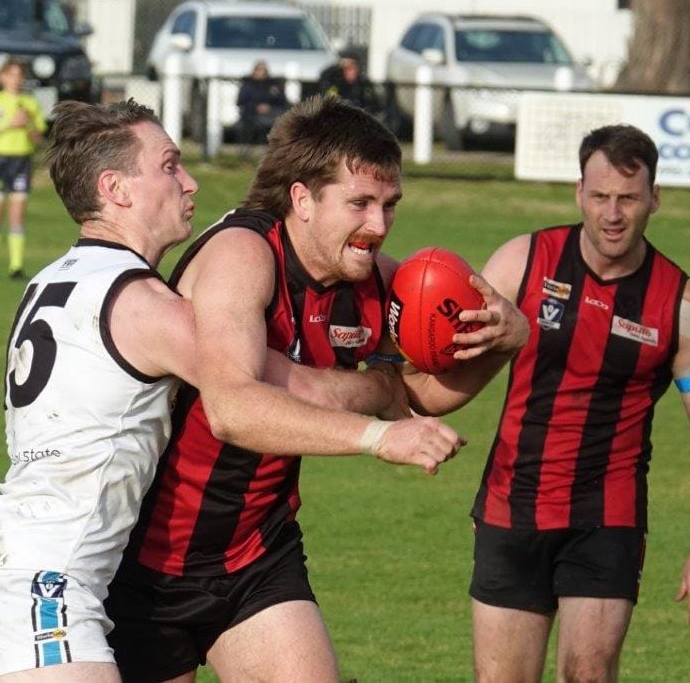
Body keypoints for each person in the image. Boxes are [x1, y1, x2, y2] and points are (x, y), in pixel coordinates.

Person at [0, 99, 463, 683]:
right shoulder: (151, 310)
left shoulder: (56, 278)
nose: (190, 182)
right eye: (170, 166)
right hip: (48, 578)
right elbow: (255, 398)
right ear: (115, 188)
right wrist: (385, 412)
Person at [105, 95, 528, 682]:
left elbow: (420, 397)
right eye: (359, 204)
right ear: (302, 199)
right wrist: (379, 434)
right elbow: (231, 409)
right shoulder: (243, 255)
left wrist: (508, 341)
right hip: (149, 561)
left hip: (259, 553)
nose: (378, 227)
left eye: (389, 206)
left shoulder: (376, 280)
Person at [468, 123, 690, 681]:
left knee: (587, 673)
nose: (613, 214)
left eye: (629, 198)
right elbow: (451, 363)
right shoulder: (523, 261)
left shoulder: (684, 306)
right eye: (601, 197)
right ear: (579, 194)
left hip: (607, 512)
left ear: (654, 199)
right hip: (511, 502)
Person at [0, 58, 47, 280]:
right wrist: (9, 125)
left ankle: (16, 267)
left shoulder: (30, 103)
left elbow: (38, 138)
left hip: (21, 161)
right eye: (11, 75)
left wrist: (28, 125)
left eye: (19, 75)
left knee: (17, 213)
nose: (16, 80)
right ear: (2, 77)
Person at [236, 60, 287, 145]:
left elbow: (282, 101)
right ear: (254, 71)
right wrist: (256, 107)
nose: (261, 73)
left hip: (271, 114)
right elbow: (240, 102)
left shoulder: (273, 85)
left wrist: (269, 107)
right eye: (258, 70)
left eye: (264, 70)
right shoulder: (247, 85)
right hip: (252, 115)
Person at [319, 51, 382, 115]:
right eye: (346, 68)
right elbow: (324, 75)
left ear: (357, 69)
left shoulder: (364, 84)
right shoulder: (338, 84)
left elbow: (374, 106)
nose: (350, 72)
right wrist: (338, 64)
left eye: (353, 68)